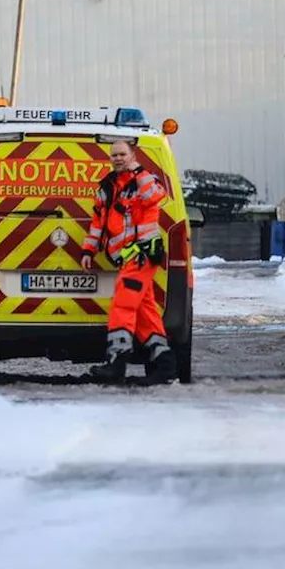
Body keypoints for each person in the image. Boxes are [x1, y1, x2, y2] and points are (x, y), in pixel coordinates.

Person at [80, 140, 178, 386]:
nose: (118, 158)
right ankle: (165, 364)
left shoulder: (144, 181)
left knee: (122, 305)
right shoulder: (107, 186)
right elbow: (97, 223)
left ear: (132, 156)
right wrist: (88, 251)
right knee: (145, 312)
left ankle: (116, 362)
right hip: (127, 259)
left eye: (123, 154)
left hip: (142, 255)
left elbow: (157, 196)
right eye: (114, 155)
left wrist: (138, 171)